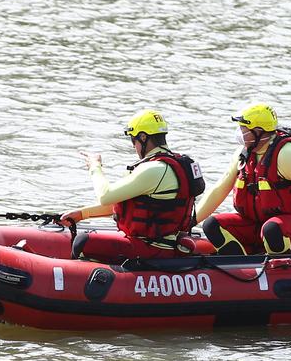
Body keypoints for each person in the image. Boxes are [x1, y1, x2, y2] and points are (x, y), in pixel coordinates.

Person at [60, 109, 205, 263]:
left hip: (152, 249)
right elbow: (129, 206)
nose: (133, 146)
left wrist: (95, 166)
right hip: (165, 245)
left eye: (133, 140)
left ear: (143, 137)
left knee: (83, 241)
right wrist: (82, 214)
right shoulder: (177, 164)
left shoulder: (153, 169)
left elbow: (105, 196)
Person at [196, 102, 291, 255]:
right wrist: (190, 222)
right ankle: (240, 267)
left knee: (271, 230)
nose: (239, 132)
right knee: (211, 225)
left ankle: (278, 266)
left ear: (258, 131)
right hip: (255, 225)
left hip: (289, 227)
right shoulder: (243, 154)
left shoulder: (286, 155)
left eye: (244, 128)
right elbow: (219, 189)